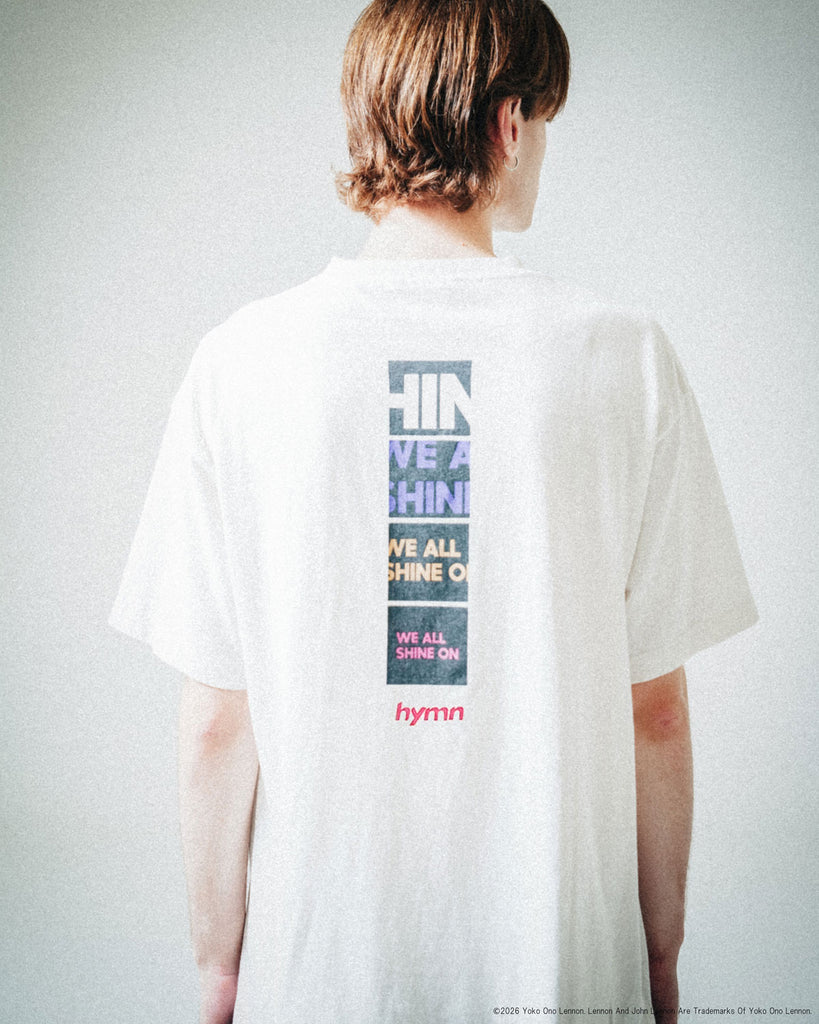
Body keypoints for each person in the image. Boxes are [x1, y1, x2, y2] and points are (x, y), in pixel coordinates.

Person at [109, 1, 758, 1021]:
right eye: (544, 118)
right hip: (563, 975)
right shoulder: (623, 356)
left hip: (322, 975)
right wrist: (660, 950)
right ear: (510, 123)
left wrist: (219, 968)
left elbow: (216, 726)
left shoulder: (240, 362)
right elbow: (657, 712)